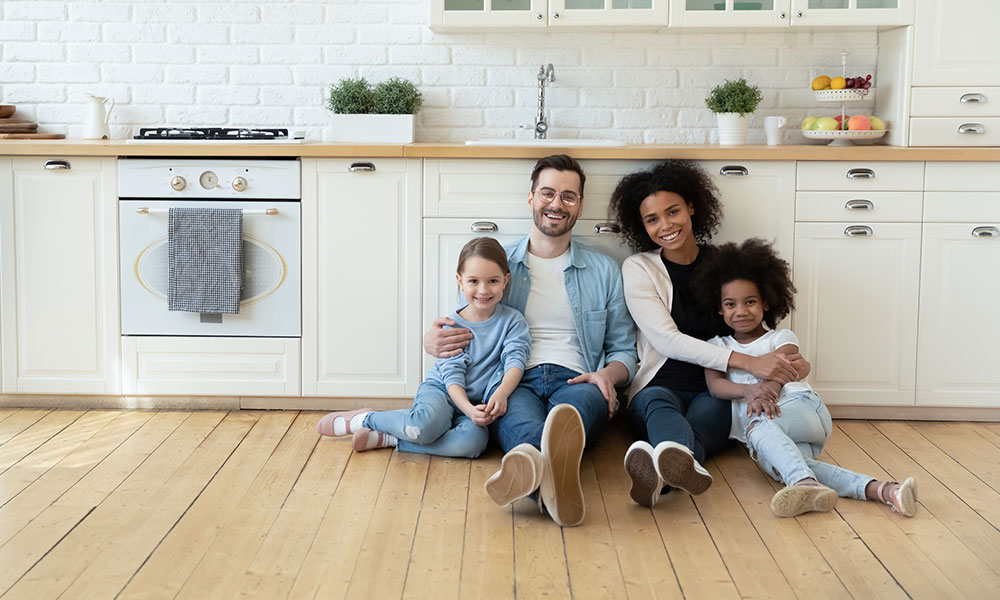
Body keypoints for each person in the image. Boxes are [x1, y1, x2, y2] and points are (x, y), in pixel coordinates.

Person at [424, 154, 637, 527]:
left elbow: (623, 349)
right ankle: (554, 484)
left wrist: (608, 375)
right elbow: (463, 326)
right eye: (548, 194)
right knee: (520, 425)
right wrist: (432, 341)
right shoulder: (496, 264)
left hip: (579, 379)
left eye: (568, 196)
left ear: (580, 206)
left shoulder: (604, 270)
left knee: (571, 415)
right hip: (512, 381)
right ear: (531, 198)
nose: (556, 204)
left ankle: (532, 478)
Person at [609, 159, 808, 508]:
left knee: (705, 419)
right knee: (659, 408)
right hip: (658, 384)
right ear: (641, 226)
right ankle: (675, 467)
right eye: (652, 219)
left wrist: (776, 363)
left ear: (691, 207)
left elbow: (754, 320)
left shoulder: (726, 264)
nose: (665, 225)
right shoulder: (639, 267)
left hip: (717, 387)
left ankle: (659, 477)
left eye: (673, 212)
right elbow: (666, 340)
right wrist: (753, 363)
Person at [694, 238, 918, 517]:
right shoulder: (716, 346)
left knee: (758, 430)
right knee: (788, 464)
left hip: (801, 410)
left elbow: (787, 368)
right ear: (719, 308)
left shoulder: (780, 337)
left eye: (750, 301)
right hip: (772, 434)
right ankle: (885, 491)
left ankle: (803, 485)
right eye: (730, 304)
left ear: (766, 301)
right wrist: (749, 392)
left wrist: (768, 390)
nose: (740, 311)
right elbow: (716, 387)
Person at [316, 237, 531, 459]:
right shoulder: (452, 325)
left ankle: (390, 438)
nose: (483, 290)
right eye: (474, 281)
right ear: (460, 280)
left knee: (473, 444)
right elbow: (452, 377)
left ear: (506, 280)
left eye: (493, 281)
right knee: (424, 426)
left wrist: (502, 393)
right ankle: (366, 419)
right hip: (443, 391)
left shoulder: (513, 322)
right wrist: (467, 408)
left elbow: (515, 360)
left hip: (477, 403)